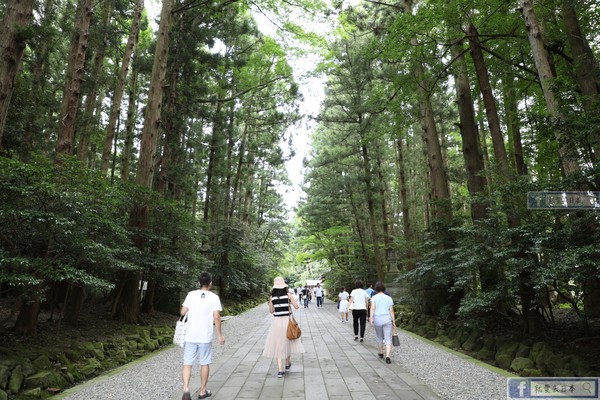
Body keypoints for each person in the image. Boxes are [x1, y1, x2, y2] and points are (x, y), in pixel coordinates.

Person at [181, 272, 225, 400]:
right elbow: (216, 317)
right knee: (204, 362)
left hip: (190, 335)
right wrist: (220, 335)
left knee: (187, 363)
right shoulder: (214, 297)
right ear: (210, 283)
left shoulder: (191, 294)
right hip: (205, 336)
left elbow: (183, 312)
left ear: (199, 283)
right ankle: (202, 391)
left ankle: (186, 390)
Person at [263, 277, 305, 377]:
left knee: (278, 344)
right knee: (288, 341)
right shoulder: (288, 295)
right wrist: (290, 302)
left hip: (276, 322)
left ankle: (280, 370)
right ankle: (287, 364)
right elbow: (297, 307)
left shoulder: (271, 297)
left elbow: (271, 311)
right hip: (287, 321)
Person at [369, 281, 396, 364]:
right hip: (387, 319)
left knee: (379, 337)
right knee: (387, 338)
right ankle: (388, 355)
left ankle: (381, 352)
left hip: (378, 319)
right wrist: (393, 321)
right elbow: (391, 310)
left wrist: (371, 318)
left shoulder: (374, 298)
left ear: (376, 289)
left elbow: (372, 308)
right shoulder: (389, 298)